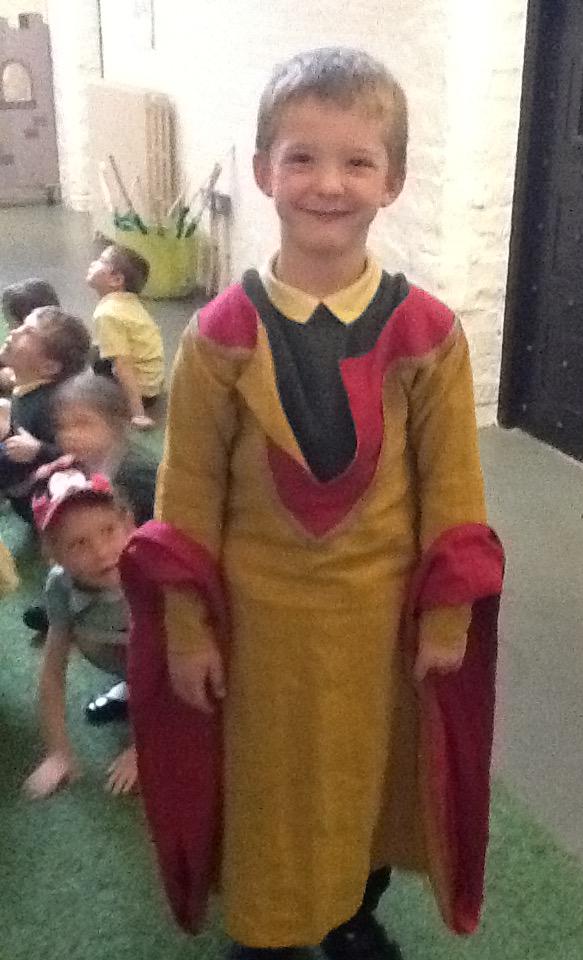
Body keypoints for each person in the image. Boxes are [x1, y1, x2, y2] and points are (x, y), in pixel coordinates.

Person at [143, 48, 495, 960]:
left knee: (368, 777)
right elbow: (187, 496)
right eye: (302, 158)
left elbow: (454, 487)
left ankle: (351, 911)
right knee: (273, 784)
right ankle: (268, 933)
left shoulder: (428, 334)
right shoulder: (219, 338)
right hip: (261, 628)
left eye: (357, 162)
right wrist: (187, 626)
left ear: (393, 181)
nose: (328, 184)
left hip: (381, 622)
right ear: (265, 171)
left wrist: (447, 614)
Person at [24, 370, 158, 724]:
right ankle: (69, 607)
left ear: (117, 423)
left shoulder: (138, 475)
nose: (69, 435)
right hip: (105, 576)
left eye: (82, 423)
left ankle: (137, 689)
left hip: (141, 577)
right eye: (63, 426)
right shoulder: (80, 465)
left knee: (145, 641)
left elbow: (160, 531)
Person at [22, 468, 137, 800]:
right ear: (54, 555)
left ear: (128, 524)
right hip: (126, 654)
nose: (101, 552)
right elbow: (52, 672)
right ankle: (129, 685)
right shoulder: (60, 584)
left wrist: (142, 747)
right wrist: (58, 752)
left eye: (108, 531)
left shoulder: (148, 567)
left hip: (175, 666)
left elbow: (172, 668)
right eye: (79, 544)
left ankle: (134, 692)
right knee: (78, 632)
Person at [0, 306, 90, 520]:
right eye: (22, 326)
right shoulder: (27, 383)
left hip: (38, 502)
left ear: (48, 367)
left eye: (28, 333)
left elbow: (83, 457)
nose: (14, 331)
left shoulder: (51, 407)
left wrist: (39, 450)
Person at [87, 243, 164, 431]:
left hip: (141, 394)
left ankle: (122, 404)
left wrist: (138, 413)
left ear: (116, 279)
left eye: (101, 260)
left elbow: (123, 364)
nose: (92, 263)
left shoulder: (108, 313)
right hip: (151, 386)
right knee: (96, 350)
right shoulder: (129, 302)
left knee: (80, 389)